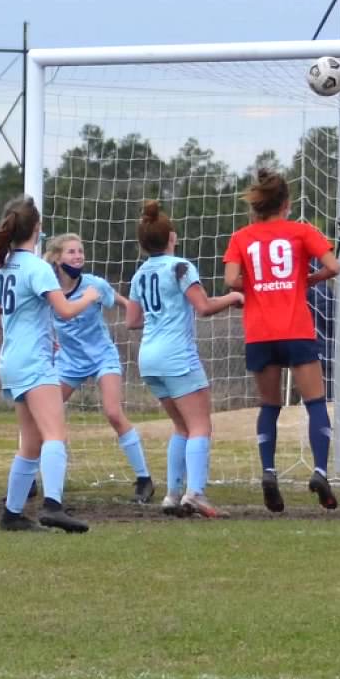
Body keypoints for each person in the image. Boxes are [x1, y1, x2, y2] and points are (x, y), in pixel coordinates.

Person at [224, 169, 340, 511]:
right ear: (287, 204)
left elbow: (232, 279)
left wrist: (257, 285)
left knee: (270, 406)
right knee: (316, 402)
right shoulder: (302, 231)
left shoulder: (241, 237)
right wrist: (305, 280)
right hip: (296, 329)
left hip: (260, 332)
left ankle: (269, 471)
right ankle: (320, 470)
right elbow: (334, 267)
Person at [0, 197, 101, 533]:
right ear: (36, 229)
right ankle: (53, 506)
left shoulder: (5, 267)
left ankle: (11, 515)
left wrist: (36, 331)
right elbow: (64, 311)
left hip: (11, 361)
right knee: (55, 436)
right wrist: (89, 297)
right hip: (34, 363)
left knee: (32, 443)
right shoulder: (37, 268)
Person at [125, 201, 243, 518]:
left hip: (148, 357)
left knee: (181, 427)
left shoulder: (140, 274)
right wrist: (233, 297)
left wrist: (162, 313)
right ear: (172, 237)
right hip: (177, 355)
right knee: (200, 426)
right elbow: (203, 307)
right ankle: (196, 494)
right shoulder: (181, 267)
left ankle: (172, 494)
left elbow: (133, 321)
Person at [43, 233, 152, 505]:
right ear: (57, 258)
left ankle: (144, 479)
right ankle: (35, 478)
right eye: (71, 252)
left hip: (102, 356)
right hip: (69, 362)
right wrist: (50, 341)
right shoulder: (47, 288)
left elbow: (122, 301)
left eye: (81, 251)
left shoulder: (94, 285)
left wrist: (139, 316)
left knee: (114, 413)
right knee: (44, 416)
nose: (78, 256)